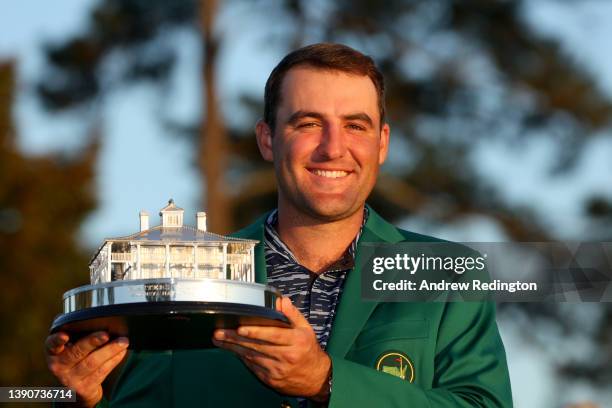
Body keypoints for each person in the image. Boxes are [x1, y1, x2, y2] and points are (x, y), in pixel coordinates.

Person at [46, 43, 513, 407]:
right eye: (308, 123)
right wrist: (82, 402)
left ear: (382, 143)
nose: (333, 148)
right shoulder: (189, 284)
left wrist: (326, 383)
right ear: (267, 139)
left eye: (356, 125)